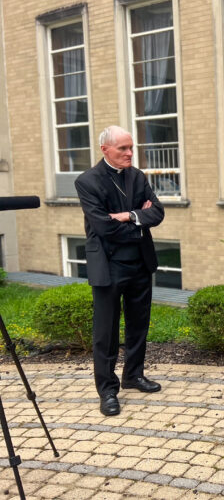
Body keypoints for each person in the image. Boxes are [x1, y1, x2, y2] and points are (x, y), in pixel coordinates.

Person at [75, 126, 165, 416]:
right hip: (109, 265)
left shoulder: (137, 176)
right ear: (105, 150)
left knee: (139, 324)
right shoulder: (87, 181)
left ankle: (133, 375)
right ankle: (107, 390)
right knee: (106, 332)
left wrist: (129, 215)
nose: (129, 153)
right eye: (122, 149)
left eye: (131, 148)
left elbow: (158, 212)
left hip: (139, 263)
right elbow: (103, 227)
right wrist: (140, 223)